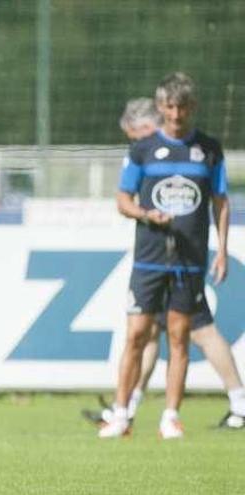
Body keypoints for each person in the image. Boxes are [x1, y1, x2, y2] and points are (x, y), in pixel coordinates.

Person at [82, 98, 245, 429]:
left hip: (181, 259)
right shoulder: (153, 152)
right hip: (159, 257)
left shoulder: (182, 149)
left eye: (134, 135)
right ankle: (126, 407)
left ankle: (239, 402)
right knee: (150, 334)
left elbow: (216, 199)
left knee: (200, 331)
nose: (134, 143)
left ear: (146, 126)